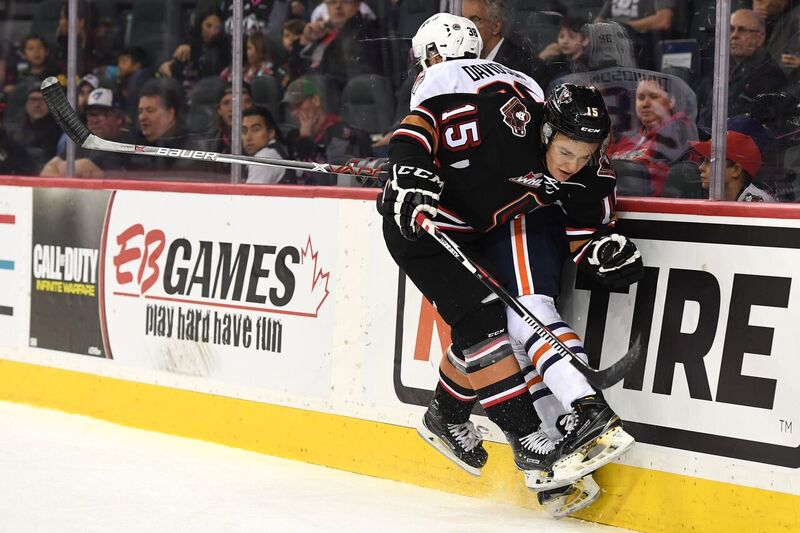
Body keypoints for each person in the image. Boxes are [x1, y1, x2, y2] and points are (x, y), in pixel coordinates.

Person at [404, 13, 641, 517]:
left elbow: (585, 200)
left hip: (511, 218)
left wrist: (600, 242)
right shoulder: (515, 89)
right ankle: (566, 428)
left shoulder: (459, 89)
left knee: (508, 324)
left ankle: (481, 423)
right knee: (507, 322)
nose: (575, 161)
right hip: (494, 220)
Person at [696, 9, 788, 129]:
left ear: (759, 38)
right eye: (731, 29)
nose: (734, 35)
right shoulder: (722, 67)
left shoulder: (770, 76)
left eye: (742, 30)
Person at [607, 76, 698, 196]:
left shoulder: (678, 130)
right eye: (641, 98)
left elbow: (659, 179)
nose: (645, 104)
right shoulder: (628, 139)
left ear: (671, 101)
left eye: (654, 97)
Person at [283, 77, 373, 185]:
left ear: (316, 100)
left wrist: (306, 142)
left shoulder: (338, 134)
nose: (294, 113)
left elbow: (331, 180)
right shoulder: (294, 136)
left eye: (298, 105)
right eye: (291, 108)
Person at [40, 87, 132, 178]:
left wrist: (62, 168)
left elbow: (81, 168)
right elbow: (46, 172)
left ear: (119, 118)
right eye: (91, 114)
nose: (94, 120)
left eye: (101, 114)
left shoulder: (126, 143)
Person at [690, 130, 778, 202]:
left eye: (710, 162)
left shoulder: (755, 203)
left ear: (735, 170)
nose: (701, 167)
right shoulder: (722, 199)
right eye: (703, 161)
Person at [460, 0, 539, 78]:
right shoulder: (459, 60)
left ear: (496, 26)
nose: (464, 27)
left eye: (474, 20)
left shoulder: (523, 68)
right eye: (462, 20)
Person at [595, 0, 675, 69]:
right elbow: (599, 19)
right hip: (611, 45)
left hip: (644, 47)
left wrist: (624, 27)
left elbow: (663, 20)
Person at [10, 83, 61, 174]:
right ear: (25, 104)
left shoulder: (58, 130)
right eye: (33, 100)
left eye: (42, 100)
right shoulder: (16, 128)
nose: (37, 105)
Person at [241, 105, 292, 184]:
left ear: (271, 133)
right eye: (244, 131)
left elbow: (250, 195)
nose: (248, 137)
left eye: (255, 130)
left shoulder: (264, 157)